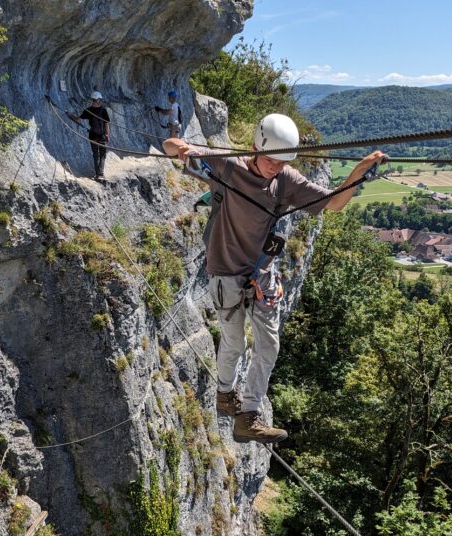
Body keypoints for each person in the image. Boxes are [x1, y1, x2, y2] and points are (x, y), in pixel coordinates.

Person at [163, 114, 385, 444]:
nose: (275, 168)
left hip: (261, 275)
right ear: (254, 148)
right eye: (270, 160)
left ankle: (248, 417)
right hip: (225, 273)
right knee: (235, 342)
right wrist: (178, 146)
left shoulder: (285, 180)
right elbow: (169, 148)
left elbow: (333, 204)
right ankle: (225, 394)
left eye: (282, 162)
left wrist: (358, 172)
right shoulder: (228, 167)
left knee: (269, 345)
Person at [68, 91, 110, 182]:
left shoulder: (88, 110)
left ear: (92, 100)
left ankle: (97, 174)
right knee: (102, 155)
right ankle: (100, 174)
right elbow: (106, 123)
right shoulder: (103, 110)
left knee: (96, 155)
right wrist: (107, 134)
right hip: (102, 136)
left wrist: (70, 116)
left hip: (92, 136)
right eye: (100, 99)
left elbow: (78, 119)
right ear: (98, 100)